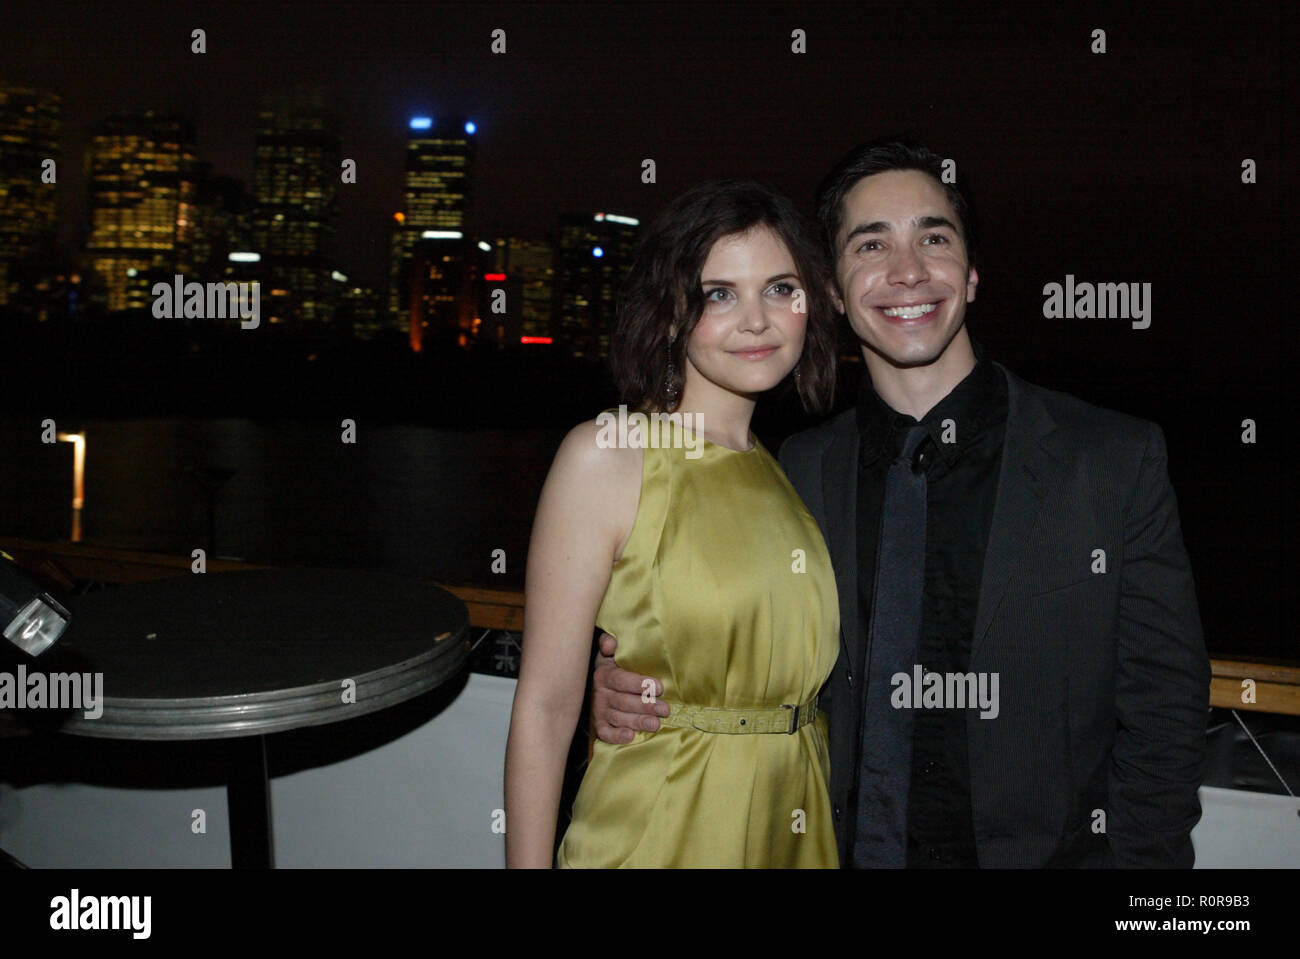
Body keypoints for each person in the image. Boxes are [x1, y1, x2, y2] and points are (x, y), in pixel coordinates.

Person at [592, 138, 1211, 868]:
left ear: (972, 274)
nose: (907, 271)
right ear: (831, 288)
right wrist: (628, 688)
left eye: (934, 238)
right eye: (871, 244)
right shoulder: (799, 468)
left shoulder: (1109, 461)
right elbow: (737, 635)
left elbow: (1166, 711)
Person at [504, 179, 842, 867]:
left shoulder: (785, 475)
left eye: (779, 288)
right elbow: (543, 708)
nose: (757, 319)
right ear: (670, 313)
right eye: (720, 293)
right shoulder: (607, 454)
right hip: (657, 833)